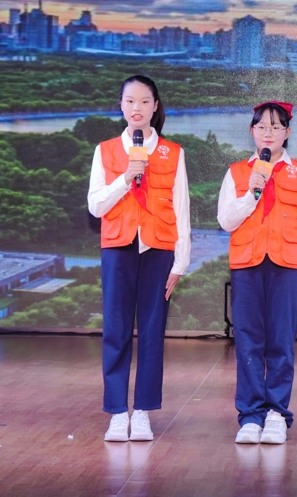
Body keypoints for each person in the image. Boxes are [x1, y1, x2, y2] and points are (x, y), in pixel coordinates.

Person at [88, 75, 191, 442]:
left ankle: (143, 411)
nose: (137, 108)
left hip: (158, 249)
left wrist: (180, 262)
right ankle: (118, 413)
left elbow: (182, 208)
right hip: (118, 247)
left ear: (155, 106)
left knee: (151, 332)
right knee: (115, 331)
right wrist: (124, 178)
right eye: (130, 101)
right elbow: (95, 205)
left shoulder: (172, 152)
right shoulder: (105, 151)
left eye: (144, 101)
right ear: (121, 106)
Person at [217, 101, 297, 445]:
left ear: (287, 132)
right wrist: (251, 193)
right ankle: (251, 416)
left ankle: (277, 413)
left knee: (281, 342)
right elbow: (225, 221)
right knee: (248, 341)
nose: (268, 132)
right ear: (252, 131)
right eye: (262, 126)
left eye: (276, 127)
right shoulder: (237, 172)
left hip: (288, 268)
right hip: (247, 265)